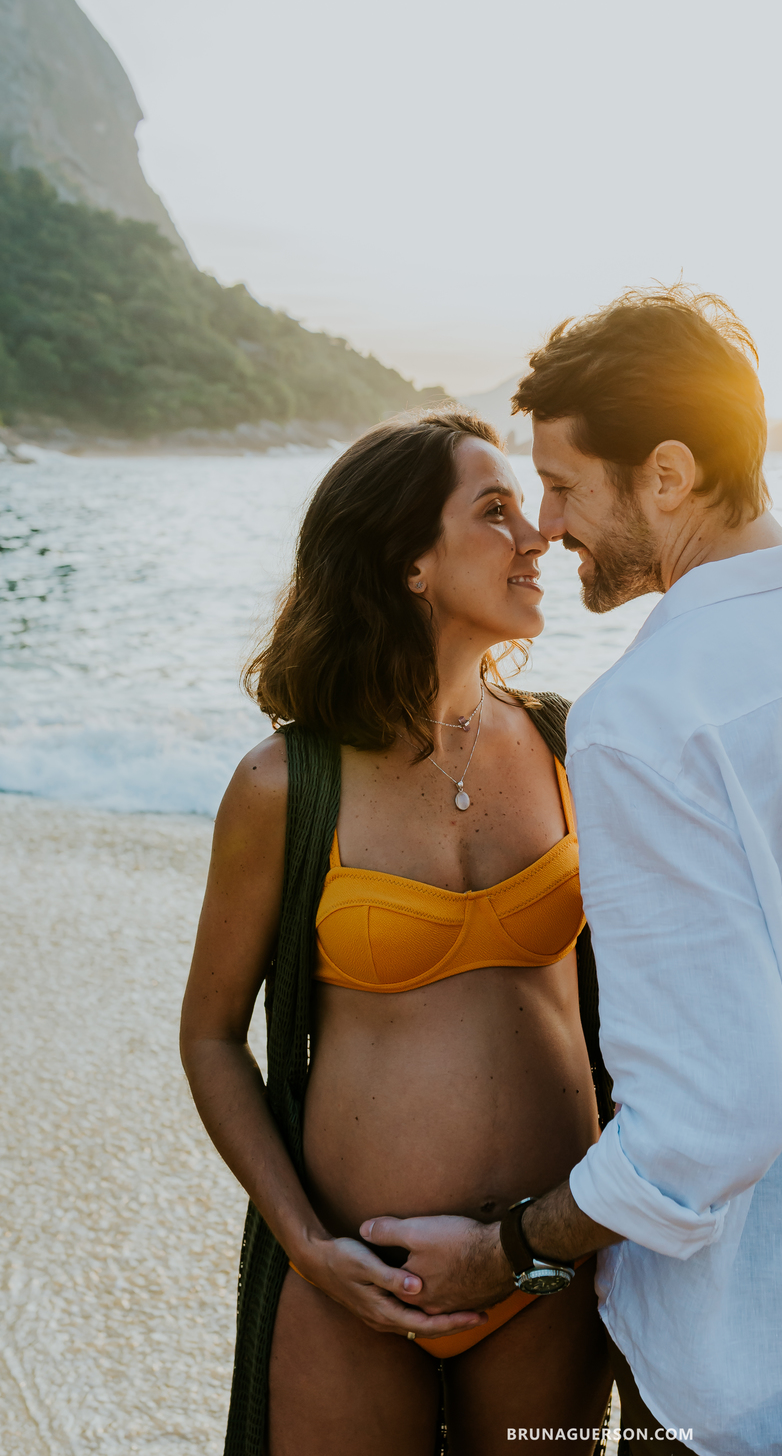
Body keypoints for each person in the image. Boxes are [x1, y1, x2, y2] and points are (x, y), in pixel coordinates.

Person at [363, 289, 782, 1456]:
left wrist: (506, 1250)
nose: (548, 523)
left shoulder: (650, 717)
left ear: (669, 475)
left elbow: (708, 1126)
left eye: (569, 485)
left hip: (750, 1376)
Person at [179, 411, 614, 1456]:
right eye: (495, 510)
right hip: (352, 1288)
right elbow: (209, 1036)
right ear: (409, 562)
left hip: (544, 1270)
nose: (536, 535)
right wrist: (305, 1246)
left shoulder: (576, 746)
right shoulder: (286, 785)